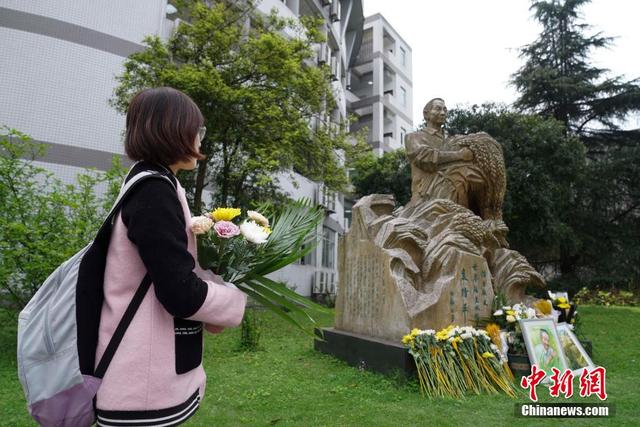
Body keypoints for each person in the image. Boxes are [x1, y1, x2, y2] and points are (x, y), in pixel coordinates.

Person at [93, 87, 247, 426]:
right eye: (197, 130)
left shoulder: (154, 183)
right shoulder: (153, 191)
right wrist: (234, 301)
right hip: (141, 392)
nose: (200, 139)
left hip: (142, 382)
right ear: (171, 130)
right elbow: (179, 292)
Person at [405, 98, 473, 205]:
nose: (442, 113)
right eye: (438, 109)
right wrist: (459, 155)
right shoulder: (413, 137)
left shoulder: (452, 140)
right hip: (425, 199)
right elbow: (426, 157)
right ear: (426, 114)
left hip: (457, 196)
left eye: (445, 110)